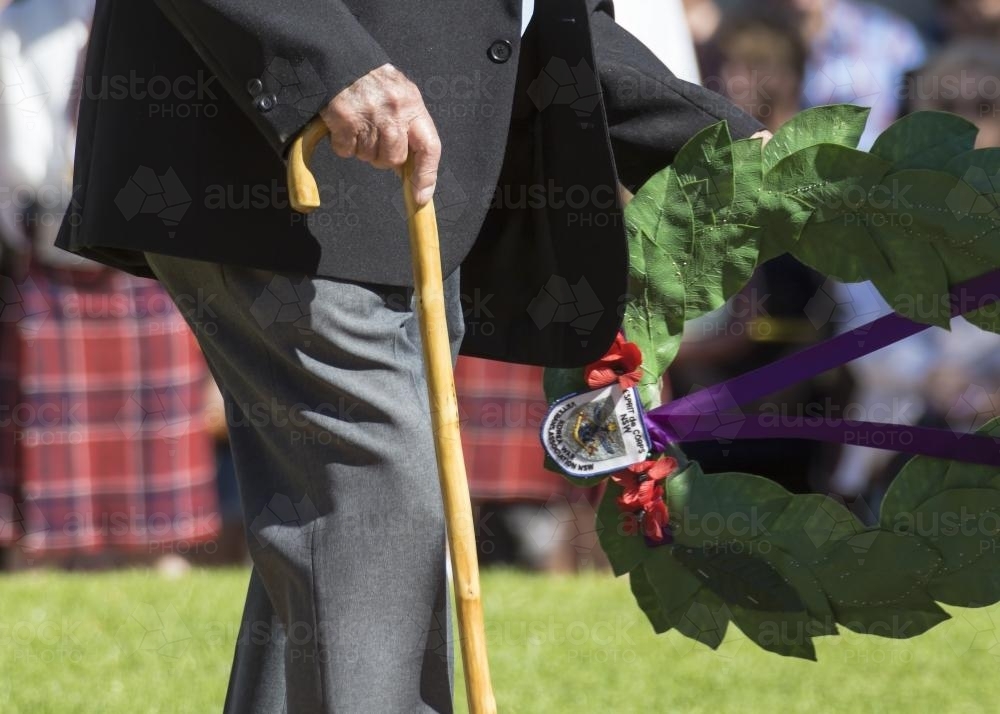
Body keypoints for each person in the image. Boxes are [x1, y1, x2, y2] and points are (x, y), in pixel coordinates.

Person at [56, 1, 765, 711]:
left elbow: (529, 18)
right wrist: (325, 59)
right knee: (378, 511)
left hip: (395, 197)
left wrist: (730, 145)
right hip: (277, 162)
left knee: (350, 531)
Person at [0, 0, 219, 570]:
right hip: (44, 241)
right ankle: (42, 549)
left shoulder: (163, 13)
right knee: (46, 421)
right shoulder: (19, 20)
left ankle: (163, 546)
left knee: (154, 416)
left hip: (148, 240)